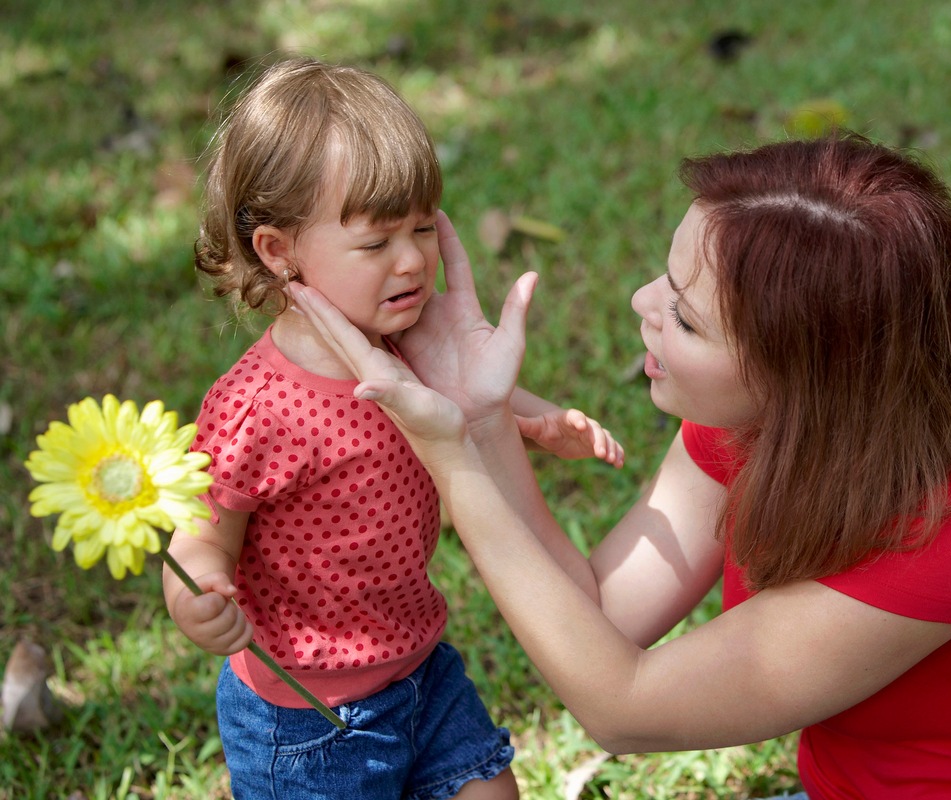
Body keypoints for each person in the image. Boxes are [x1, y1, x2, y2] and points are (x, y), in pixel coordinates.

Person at [290, 132, 951, 799]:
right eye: (665, 282)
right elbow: (602, 616)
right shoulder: (767, 421)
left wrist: (456, 460)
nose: (642, 306)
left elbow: (623, 708)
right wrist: (480, 422)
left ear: (807, 374)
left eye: (684, 317)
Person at [163, 57, 622, 800]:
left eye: (420, 230)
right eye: (376, 244)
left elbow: (467, 395)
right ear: (279, 251)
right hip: (307, 716)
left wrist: (540, 420)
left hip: (420, 664)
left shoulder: (401, 339)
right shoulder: (258, 405)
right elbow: (203, 531)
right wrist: (196, 592)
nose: (411, 261)